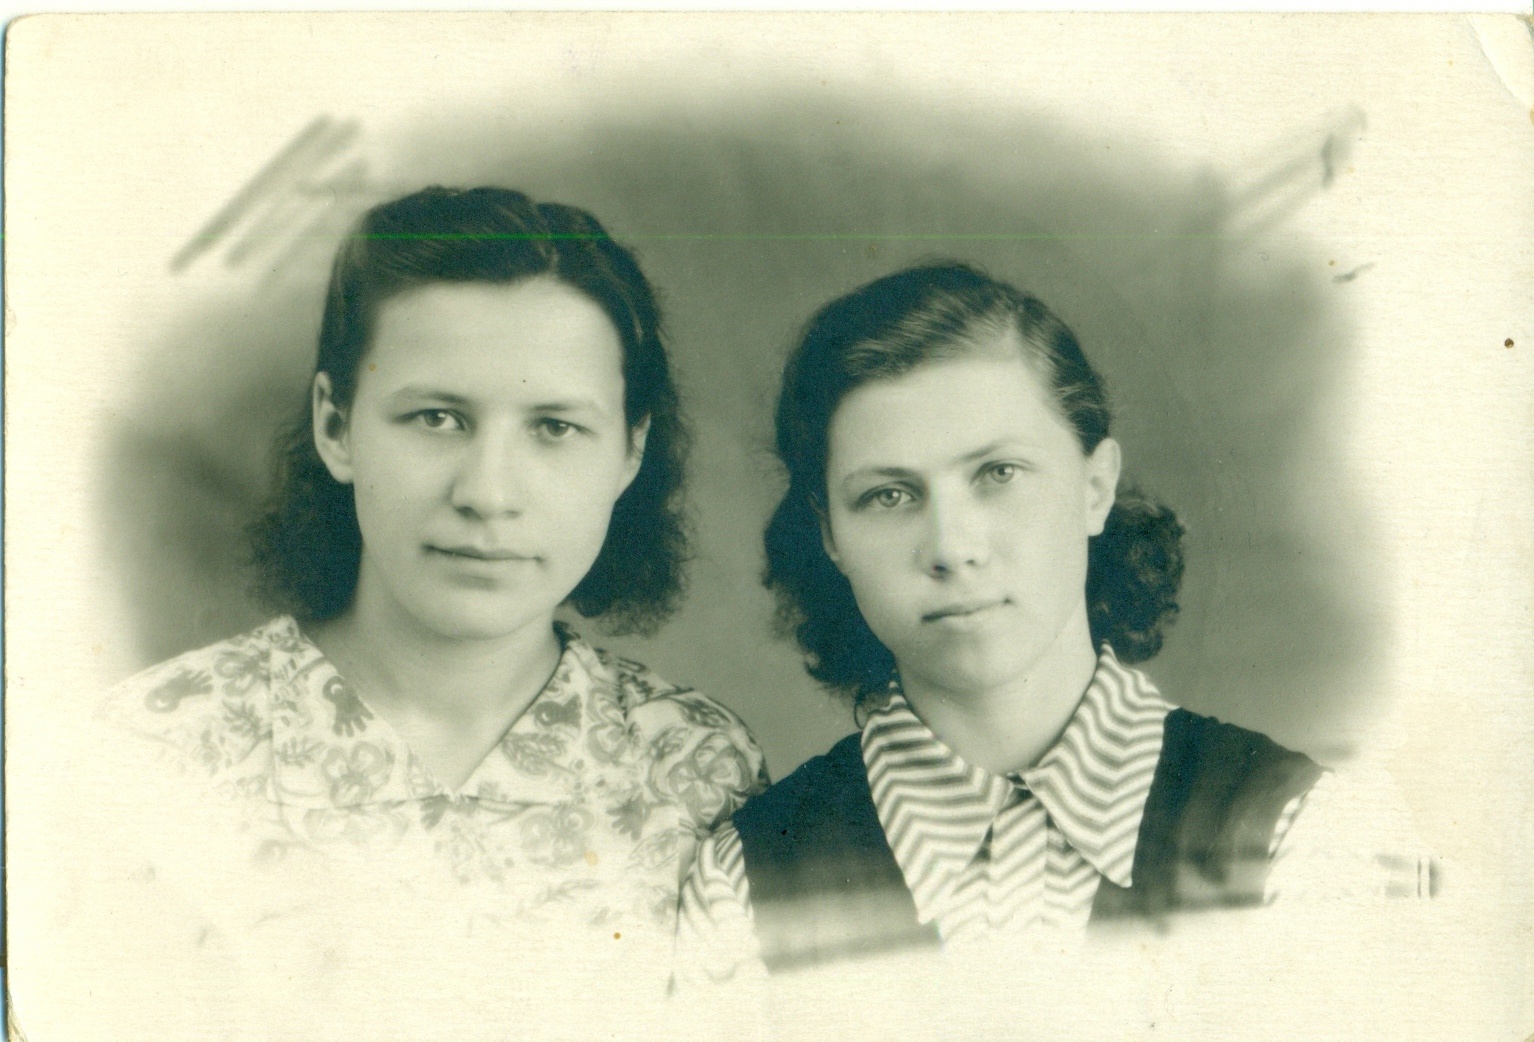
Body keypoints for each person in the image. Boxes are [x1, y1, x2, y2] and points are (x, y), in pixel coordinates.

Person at [69, 186, 766, 1035]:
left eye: (554, 427)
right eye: (437, 418)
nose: (488, 492)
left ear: (629, 452)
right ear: (337, 427)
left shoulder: (698, 768)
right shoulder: (155, 749)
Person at [676, 261, 1431, 983]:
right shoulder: (744, 886)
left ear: (1095, 487)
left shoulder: (1310, 836)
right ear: (831, 536)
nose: (951, 548)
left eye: (997, 474)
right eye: (889, 495)